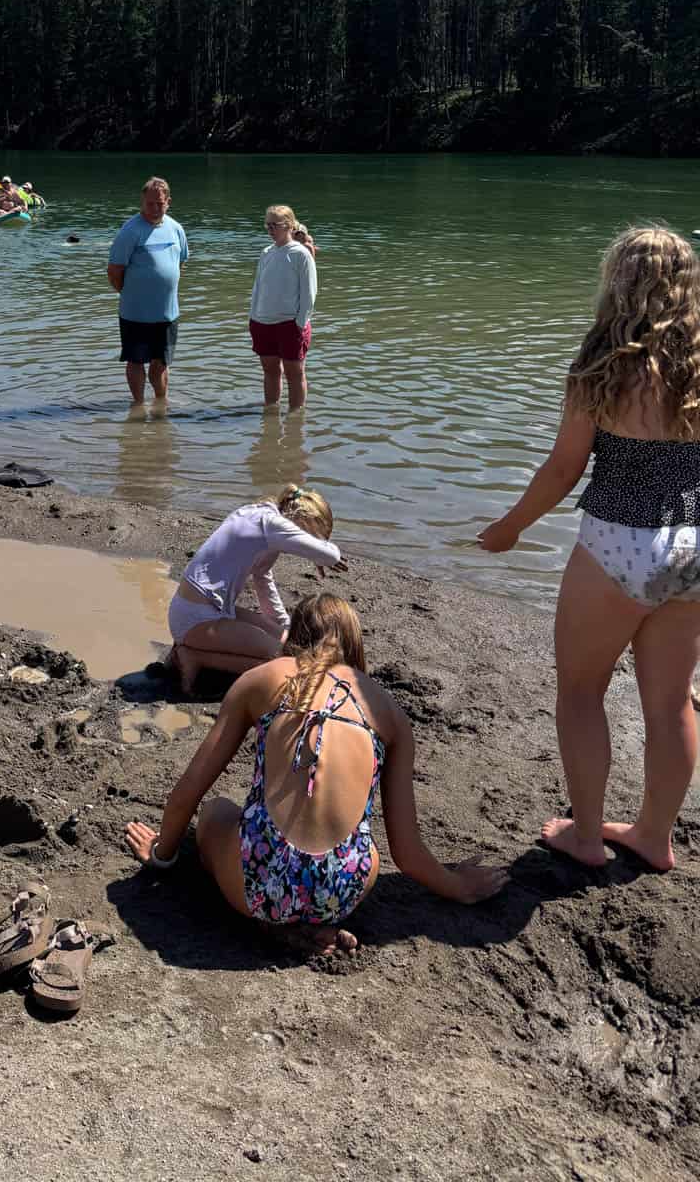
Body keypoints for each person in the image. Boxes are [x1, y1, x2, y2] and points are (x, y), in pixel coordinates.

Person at [479, 225, 700, 873]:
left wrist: (512, 526)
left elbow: (562, 470)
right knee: (672, 701)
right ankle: (655, 837)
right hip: (692, 545)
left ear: (618, 280)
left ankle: (585, 837)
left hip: (616, 544)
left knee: (580, 692)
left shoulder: (603, 361)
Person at [124, 591, 508, 952]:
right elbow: (406, 854)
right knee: (368, 851)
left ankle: (272, 918)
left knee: (215, 812)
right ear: (356, 646)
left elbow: (190, 790)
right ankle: (308, 922)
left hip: (255, 888)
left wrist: (162, 854)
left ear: (291, 637)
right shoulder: (389, 711)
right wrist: (457, 886)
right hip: (340, 895)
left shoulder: (265, 677)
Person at [166, 485, 344, 695]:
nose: (311, 542)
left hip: (211, 610)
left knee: (288, 642)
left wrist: (284, 626)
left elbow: (262, 580)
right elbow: (331, 556)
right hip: (196, 618)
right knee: (283, 660)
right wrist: (319, 552)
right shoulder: (272, 524)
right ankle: (196, 657)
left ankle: (196, 648)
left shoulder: (257, 514)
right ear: (304, 520)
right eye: (317, 536)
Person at [107, 177, 189, 404]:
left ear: (168, 202)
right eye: (149, 204)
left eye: (159, 204)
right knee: (135, 361)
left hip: (167, 313)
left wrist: (163, 285)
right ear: (142, 202)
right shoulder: (130, 231)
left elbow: (180, 263)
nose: (154, 208)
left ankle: (161, 403)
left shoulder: (176, 229)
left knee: (161, 363)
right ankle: (138, 405)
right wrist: (132, 294)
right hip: (135, 313)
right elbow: (114, 271)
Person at [249, 205, 318, 411]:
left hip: (291, 323)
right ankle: (271, 412)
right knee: (270, 370)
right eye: (267, 225)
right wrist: (253, 317)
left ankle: (295, 417)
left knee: (294, 373)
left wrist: (300, 322)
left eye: (275, 225)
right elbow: (258, 287)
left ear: (288, 226)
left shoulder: (301, 254)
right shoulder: (266, 253)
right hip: (263, 322)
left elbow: (309, 292)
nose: (270, 230)